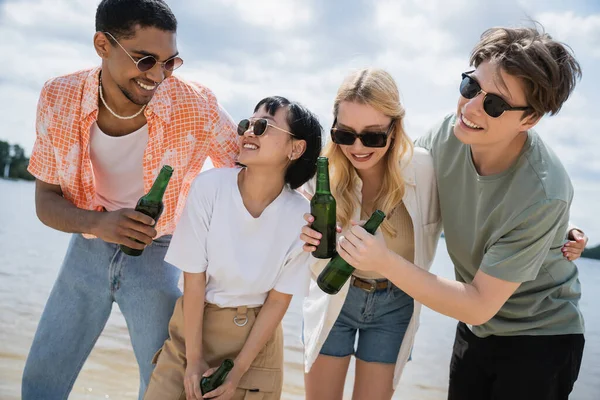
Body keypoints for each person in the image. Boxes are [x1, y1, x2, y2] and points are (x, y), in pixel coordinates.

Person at [332, 26, 589, 400]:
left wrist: (383, 261)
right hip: (474, 330)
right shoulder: (446, 137)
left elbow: (479, 302)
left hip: (540, 340)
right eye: (470, 87)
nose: (469, 108)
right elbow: (382, 179)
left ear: (529, 119)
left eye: (495, 104)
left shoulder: (544, 194)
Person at [22, 1, 239, 398]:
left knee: (162, 382)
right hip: (88, 243)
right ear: (102, 45)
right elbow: (45, 200)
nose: (158, 76)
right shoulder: (59, 97)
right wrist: (97, 224)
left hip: (163, 248)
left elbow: (248, 167)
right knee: (42, 377)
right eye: (145, 61)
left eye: (170, 63)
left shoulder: (196, 104)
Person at [143, 96, 322, 400]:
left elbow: (278, 303)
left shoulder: (302, 218)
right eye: (247, 124)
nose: (250, 131)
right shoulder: (209, 188)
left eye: (264, 125)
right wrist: (194, 359)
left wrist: (237, 371)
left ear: (296, 148)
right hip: (194, 327)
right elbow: (194, 280)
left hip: (256, 343)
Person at [300, 68, 443, 400]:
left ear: (395, 129)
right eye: (345, 134)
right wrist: (302, 240)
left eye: (374, 136)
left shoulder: (424, 170)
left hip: (395, 306)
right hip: (333, 297)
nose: (358, 147)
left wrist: (563, 229)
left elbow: (473, 210)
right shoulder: (323, 172)